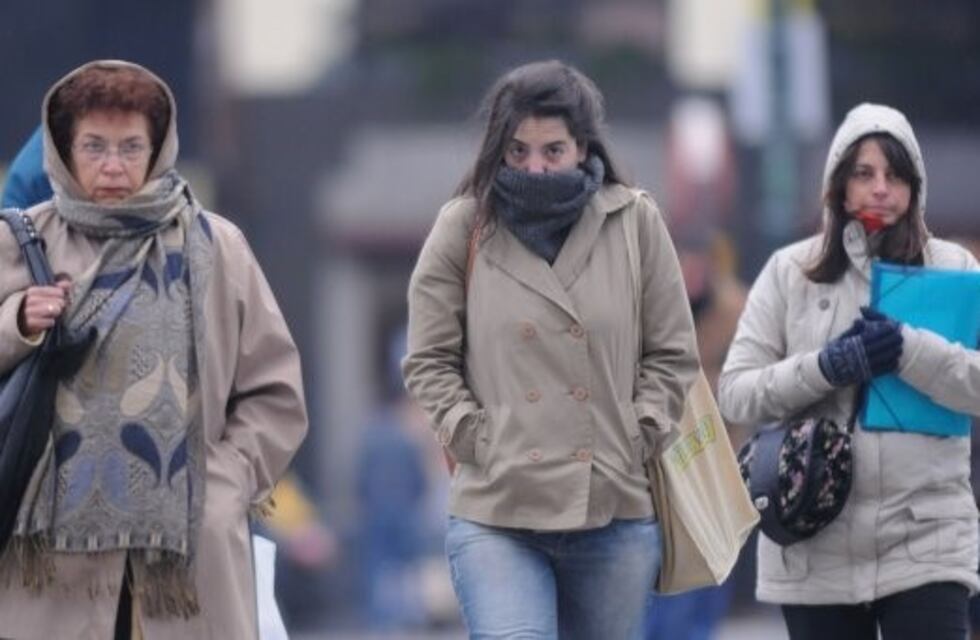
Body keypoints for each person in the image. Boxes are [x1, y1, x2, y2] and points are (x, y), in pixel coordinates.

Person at [0, 59, 308, 639]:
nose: (113, 165)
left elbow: (275, 390)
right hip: (48, 561)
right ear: (63, 150)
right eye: (93, 146)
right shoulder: (19, 241)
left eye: (130, 146)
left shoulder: (217, 246)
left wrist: (226, 479)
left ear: (158, 148)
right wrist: (17, 321)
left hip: (187, 549)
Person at [402, 60, 700, 639]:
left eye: (552, 151)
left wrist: (636, 431)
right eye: (517, 152)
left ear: (583, 146)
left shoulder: (633, 220)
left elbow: (672, 353)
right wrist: (475, 434)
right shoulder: (464, 226)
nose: (534, 167)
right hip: (498, 505)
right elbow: (428, 357)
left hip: (612, 506)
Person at [718, 103, 980, 640]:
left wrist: (909, 350)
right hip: (812, 539)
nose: (880, 188)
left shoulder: (955, 268)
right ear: (838, 185)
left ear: (915, 185)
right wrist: (826, 366)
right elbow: (736, 394)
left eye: (894, 174)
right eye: (863, 173)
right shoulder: (789, 272)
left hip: (927, 540)